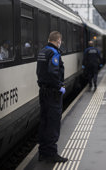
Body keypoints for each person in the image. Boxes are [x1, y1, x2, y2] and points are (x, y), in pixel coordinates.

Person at [36, 31, 68, 163]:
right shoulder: (54, 53)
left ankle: (43, 152)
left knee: (44, 122)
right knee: (53, 124)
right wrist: (58, 87)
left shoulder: (42, 51)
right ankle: (51, 154)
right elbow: (53, 73)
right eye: (60, 41)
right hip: (52, 94)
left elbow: (39, 72)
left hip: (43, 92)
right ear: (58, 40)